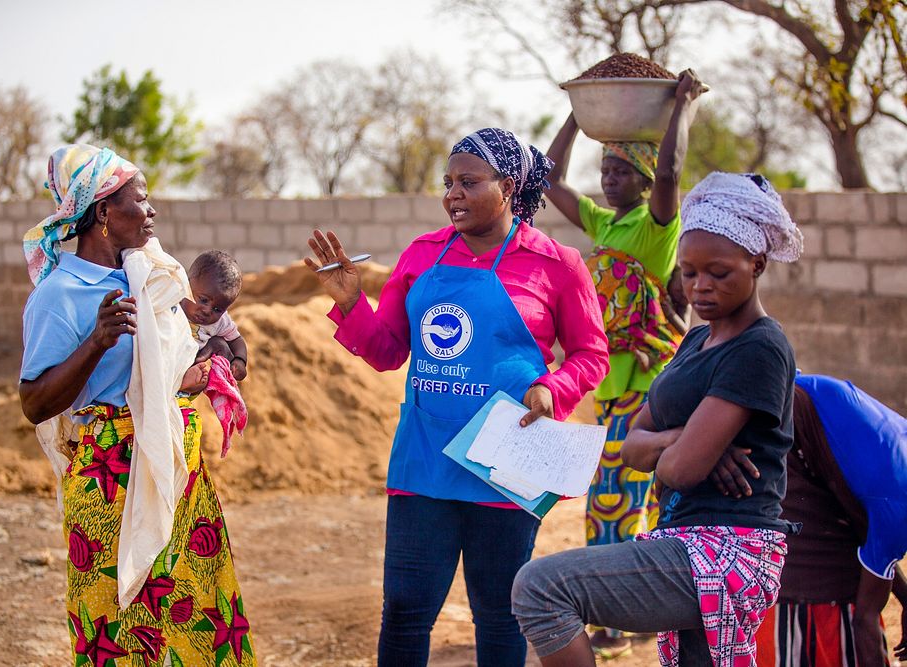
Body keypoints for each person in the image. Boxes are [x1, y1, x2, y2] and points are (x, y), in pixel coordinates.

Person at [304, 128, 609, 666]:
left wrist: (550, 389)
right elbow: (387, 351)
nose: (453, 195)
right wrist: (353, 305)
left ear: (508, 186)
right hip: (424, 458)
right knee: (404, 609)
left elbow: (591, 354)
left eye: (469, 182)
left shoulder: (555, 263)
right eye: (448, 183)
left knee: (498, 613)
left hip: (506, 462)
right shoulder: (421, 255)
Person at [512, 172, 804, 667]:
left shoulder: (760, 348)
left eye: (718, 272)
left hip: (729, 549)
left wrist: (676, 449)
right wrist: (683, 437)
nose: (700, 287)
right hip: (684, 537)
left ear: (756, 264)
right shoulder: (695, 341)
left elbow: (675, 471)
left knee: (540, 588)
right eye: (689, 274)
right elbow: (631, 448)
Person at [19, 144, 257, 666]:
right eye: (140, 201)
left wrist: (199, 373)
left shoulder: (153, 275)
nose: (152, 212)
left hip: (177, 466)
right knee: (121, 622)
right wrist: (96, 342)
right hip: (111, 478)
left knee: (193, 613)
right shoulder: (61, 294)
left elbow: (163, 372)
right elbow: (34, 403)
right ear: (103, 211)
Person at [544, 69, 705, 654]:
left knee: (619, 497)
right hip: (612, 386)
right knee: (624, 499)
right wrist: (576, 115)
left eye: (620, 172)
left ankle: (618, 621)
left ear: (641, 180)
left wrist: (681, 105)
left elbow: (670, 173)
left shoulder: (656, 228)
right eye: (606, 170)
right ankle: (636, 614)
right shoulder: (604, 223)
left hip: (652, 385)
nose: (609, 180)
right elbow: (552, 179)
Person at [751, 373, 907, 667]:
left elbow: (866, 522)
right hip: (789, 415)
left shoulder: (896, 463)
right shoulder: (896, 509)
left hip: (790, 394)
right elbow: (865, 618)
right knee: (814, 564)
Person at [182, 249, 249, 382]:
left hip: (189, 370)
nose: (207, 311)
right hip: (165, 363)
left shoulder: (221, 322)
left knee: (203, 378)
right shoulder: (172, 300)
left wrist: (240, 360)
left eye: (218, 309)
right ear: (188, 284)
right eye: (203, 300)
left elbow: (236, 340)